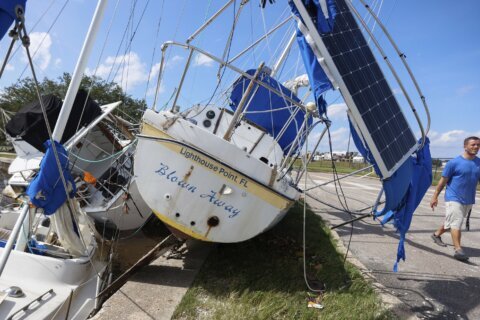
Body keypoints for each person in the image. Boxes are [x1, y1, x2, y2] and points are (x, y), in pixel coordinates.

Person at [430, 136, 480, 261]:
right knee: (456, 223)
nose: (476, 147)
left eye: (478, 145)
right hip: (454, 198)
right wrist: (434, 196)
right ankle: (458, 250)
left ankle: (436, 235)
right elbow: (442, 182)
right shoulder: (454, 163)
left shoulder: (479, 163)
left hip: (468, 199)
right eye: (473, 144)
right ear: (465, 146)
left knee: (451, 222)